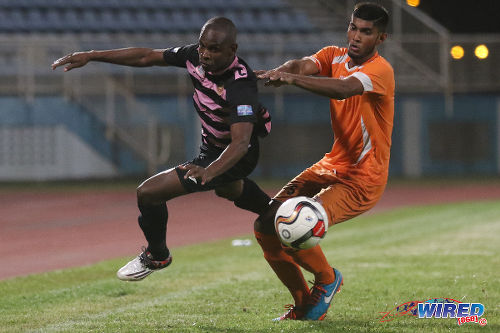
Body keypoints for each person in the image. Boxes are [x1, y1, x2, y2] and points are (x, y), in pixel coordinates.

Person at [52, 17, 272, 281]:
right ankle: (278, 214)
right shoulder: (194, 56)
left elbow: (240, 143)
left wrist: (209, 171)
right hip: (212, 149)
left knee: (149, 193)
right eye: (203, 46)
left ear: (232, 50)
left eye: (213, 49)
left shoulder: (240, 84)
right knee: (229, 189)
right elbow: (147, 56)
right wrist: (92, 55)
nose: (205, 54)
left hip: (236, 156)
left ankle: (157, 256)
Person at [255, 2, 394, 321]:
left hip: (363, 179)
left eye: (366, 32)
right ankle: (304, 302)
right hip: (332, 163)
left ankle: (328, 280)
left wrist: (291, 81)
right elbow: (304, 64)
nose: (356, 36)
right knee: (265, 224)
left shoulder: (380, 70)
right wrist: (287, 70)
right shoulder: (334, 54)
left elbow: (344, 89)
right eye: (353, 27)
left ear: (381, 38)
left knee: (295, 225)